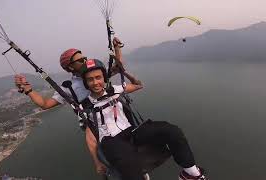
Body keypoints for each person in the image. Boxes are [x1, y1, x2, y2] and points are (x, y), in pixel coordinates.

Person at [79, 59, 207, 180]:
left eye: (98, 77)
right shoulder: (85, 107)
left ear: (104, 78)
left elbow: (138, 85)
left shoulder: (115, 90)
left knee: (171, 131)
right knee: (128, 164)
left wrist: (124, 72)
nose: (95, 82)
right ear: (86, 83)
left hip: (132, 132)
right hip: (111, 141)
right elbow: (90, 137)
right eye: (90, 80)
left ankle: (190, 173)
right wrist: (97, 162)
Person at [14, 38, 123, 175]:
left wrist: (117, 48)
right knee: (111, 163)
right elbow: (45, 104)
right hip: (96, 127)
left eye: (85, 58)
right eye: (81, 60)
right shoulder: (69, 88)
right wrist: (28, 90)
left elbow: (119, 68)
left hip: (115, 118)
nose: (85, 61)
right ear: (70, 67)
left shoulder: (96, 74)